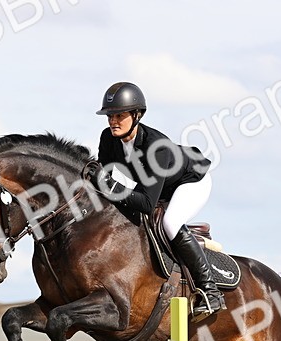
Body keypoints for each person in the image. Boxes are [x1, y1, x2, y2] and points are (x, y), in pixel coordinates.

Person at [91, 81, 225, 322]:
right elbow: (104, 178)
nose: (113, 121)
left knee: (170, 223)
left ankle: (210, 291)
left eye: (119, 115)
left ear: (136, 115)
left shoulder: (156, 147)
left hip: (190, 181)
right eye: (110, 116)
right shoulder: (108, 139)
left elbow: (143, 203)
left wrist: (108, 185)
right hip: (159, 185)